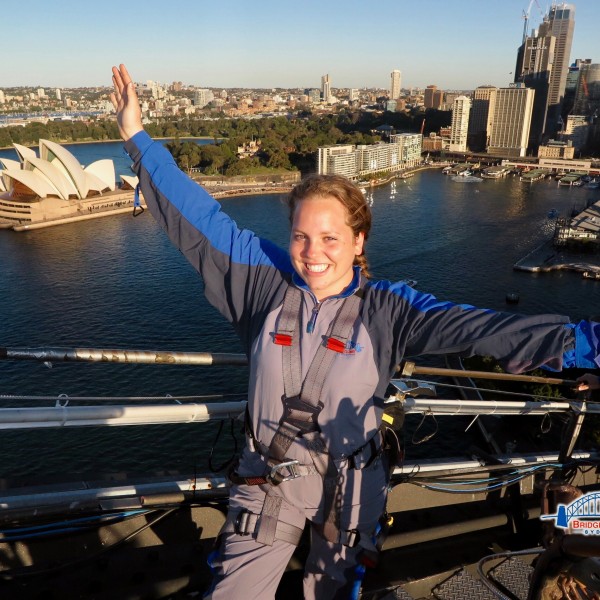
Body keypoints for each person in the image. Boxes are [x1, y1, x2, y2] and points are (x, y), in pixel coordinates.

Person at [110, 64, 600, 600]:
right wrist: (137, 137)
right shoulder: (261, 283)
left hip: (352, 486)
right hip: (268, 479)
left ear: (359, 241)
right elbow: (197, 218)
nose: (312, 253)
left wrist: (590, 344)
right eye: (300, 236)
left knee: (335, 591)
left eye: (329, 237)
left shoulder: (390, 310)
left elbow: (490, 332)